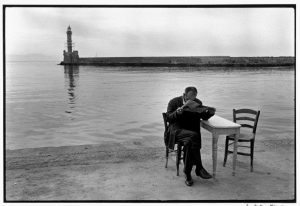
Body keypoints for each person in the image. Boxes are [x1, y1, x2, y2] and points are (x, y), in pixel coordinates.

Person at [165, 86, 214, 186]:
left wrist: (209, 113)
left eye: (193, 99)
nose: (191, 101)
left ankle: (187, 174)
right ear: (184, 95)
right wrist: (177, 113)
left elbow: (203, 116)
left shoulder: (198, 102)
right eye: (188, 99)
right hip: (177, 131)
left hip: (190, 134)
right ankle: (199, 168)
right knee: (193, 137)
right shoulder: (174, 102)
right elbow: (168, 118)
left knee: (190, 142)